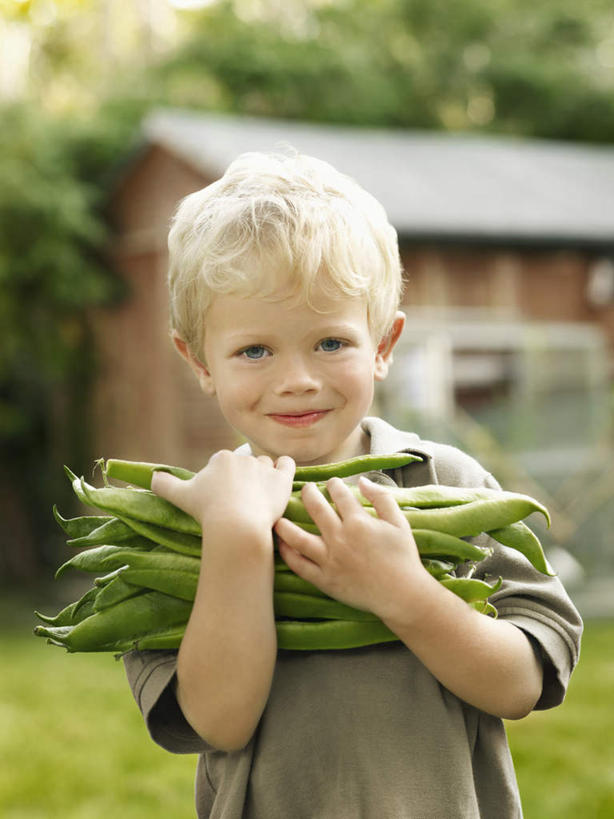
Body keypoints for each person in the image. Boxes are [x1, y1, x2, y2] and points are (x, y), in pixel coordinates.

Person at [123, 150, 582, 818]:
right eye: (255, 350)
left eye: (331, 343)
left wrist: (402, 591)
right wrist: (236, 541)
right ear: (198, 360)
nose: (298, 378)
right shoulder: (181, 522)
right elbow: (219, 721)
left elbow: (521, 683)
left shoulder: (446, 483)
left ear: (384, 343)